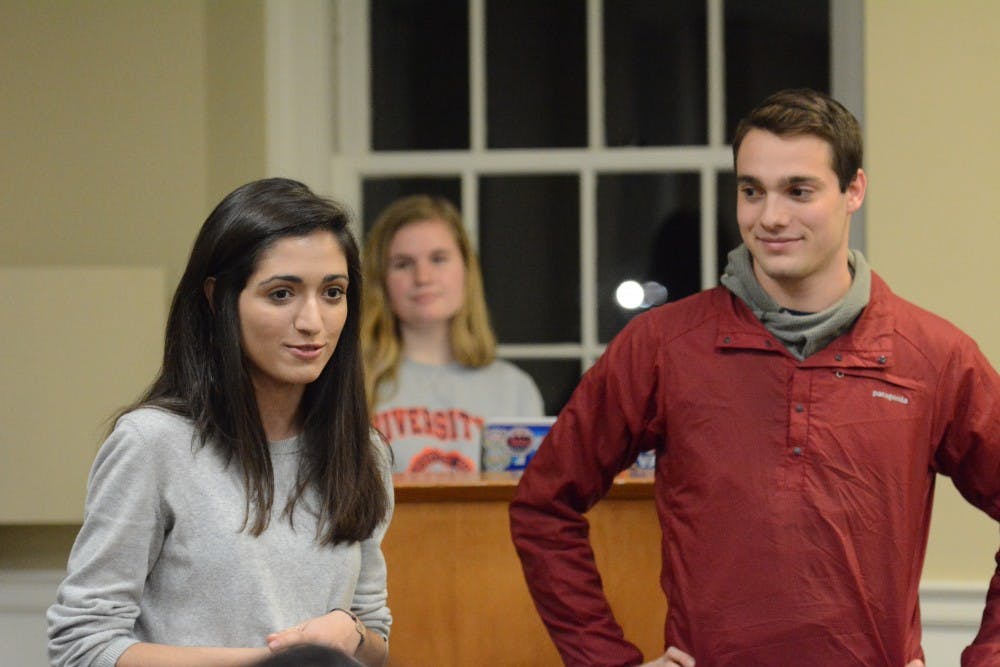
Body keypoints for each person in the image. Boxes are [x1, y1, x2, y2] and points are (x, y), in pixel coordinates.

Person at [509, 88, 1000, 667]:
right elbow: (544, 506)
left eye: (799, 191)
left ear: (853, 191)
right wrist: (606, 661)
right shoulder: (662, 347)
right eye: (751, 191)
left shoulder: (934, 356)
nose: (770, 217)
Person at [47, 178, 393, 667]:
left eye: (333, 292)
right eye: (281, 294)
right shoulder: (153, 444)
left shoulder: (364, 451)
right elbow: (81, 646)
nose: (313, 321)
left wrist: (353, 633)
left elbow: (376, 638)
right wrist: (265, 665)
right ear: (219, 299)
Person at [361, 194, 544, 473]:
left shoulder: (515, 389)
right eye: (403, 264)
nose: (423, 278)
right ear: (380, 281)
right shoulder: (352, 384)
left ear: (466, 270)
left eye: (438, 259)